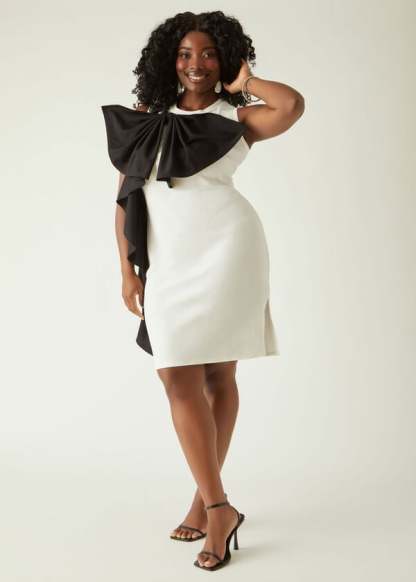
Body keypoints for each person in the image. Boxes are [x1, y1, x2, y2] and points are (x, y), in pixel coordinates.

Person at [101, 10, 304, 571]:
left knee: (219, 375)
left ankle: (207, 503)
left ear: (225, 59)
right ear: (169, 60)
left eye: (209, 53)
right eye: (186, 54)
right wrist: (127, 270)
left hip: (228, 251)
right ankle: (220, 504)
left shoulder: (237, 118)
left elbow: (290, 105)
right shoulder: (147, 120)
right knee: (176, 377)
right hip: (169, 260)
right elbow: (125, 198)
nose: (197, 64)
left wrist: (246, 82)